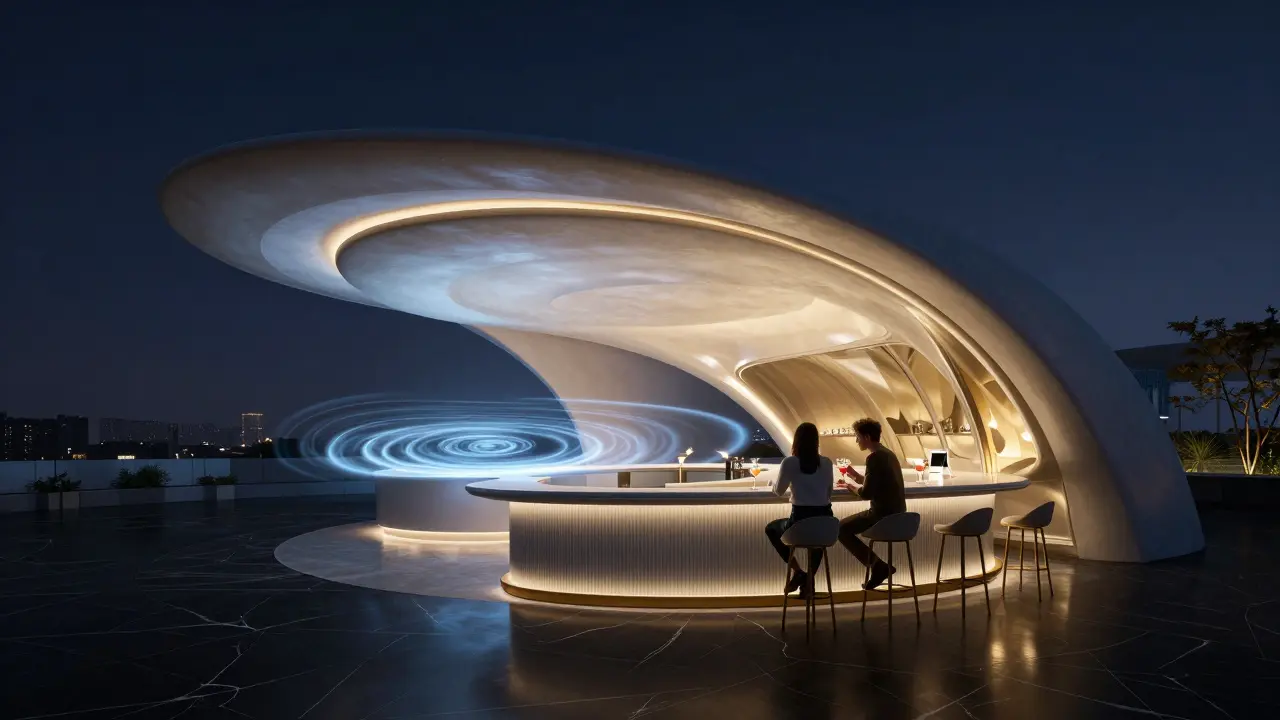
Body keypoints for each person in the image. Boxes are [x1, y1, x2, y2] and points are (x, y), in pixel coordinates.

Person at [763, 422, 835, 597]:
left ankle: (799, 572)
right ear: (816, 441)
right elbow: (829, 492)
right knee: (817, 542)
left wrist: (773, 484)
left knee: (772, 529)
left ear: (796, 441)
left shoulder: (790, 462)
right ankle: (809, 582)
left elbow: (779, 491)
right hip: (826, 522)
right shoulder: (826, 462)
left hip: (800, 522)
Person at [835, 418, 907, 591]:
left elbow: (866, 494)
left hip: (882, 515)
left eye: (858, 436)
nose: (856, 440)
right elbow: (876, 484)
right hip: (899, 514)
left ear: (866, 437)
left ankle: (878, 566)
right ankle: (878, 566)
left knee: (840, 529)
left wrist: (850, 487)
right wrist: (854, 476)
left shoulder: (874, 457)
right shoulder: (888, 454)